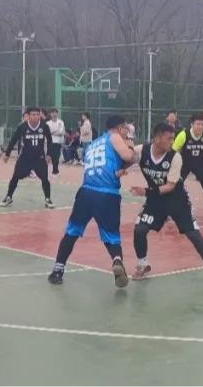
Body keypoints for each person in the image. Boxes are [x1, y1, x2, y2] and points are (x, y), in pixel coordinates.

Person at [48, 115, 136, 287]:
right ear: (119, 128)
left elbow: (107, 165)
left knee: (72, 231)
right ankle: (117, 260)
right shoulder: (115, 137)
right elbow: (127, 156)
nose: (127, 132)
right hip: (106, 194)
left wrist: (120, 169)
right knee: (111, 236)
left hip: (86, 192)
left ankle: (58, 270)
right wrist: (131, 146)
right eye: (126, 128)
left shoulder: (94, 144)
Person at [131, 122, 203, 285]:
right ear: (157, 138)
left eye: (173, 138)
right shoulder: (142, 150)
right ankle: (142, 264)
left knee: (192, 233)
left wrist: (145, 191)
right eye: (169, 138)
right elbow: (127, 156)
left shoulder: (175, 157)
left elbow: (170, 186)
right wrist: (121, 168)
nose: (172, 142)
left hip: (177, 200)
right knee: (139, 230)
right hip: (155, 201)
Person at [0, 107, 54, 209]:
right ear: (28, 116)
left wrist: (49, 154)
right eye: (33, 114)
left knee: (45, 179)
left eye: (37, 114)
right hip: (25, 158)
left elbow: (50, 141)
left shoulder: (44, 126)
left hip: (39, 158)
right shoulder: (22, 127)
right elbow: (13, 140)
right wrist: (7, 154)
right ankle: (8, 197)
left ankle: (48, 199)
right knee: (15, 177)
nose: (35, 116)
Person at [47, 108, 65, 176]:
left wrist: (52, 132)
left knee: (56, 157)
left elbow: (61, 132)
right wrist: (55, 131)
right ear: (50, 114)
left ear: (57, 114)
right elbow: (48, 132)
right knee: (49, 156)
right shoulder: (48, 123)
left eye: (55, 113)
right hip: (50, 142)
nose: (54, 114)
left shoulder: (60, 122)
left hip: (58, 142)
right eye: (52, 113)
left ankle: (55, 171)